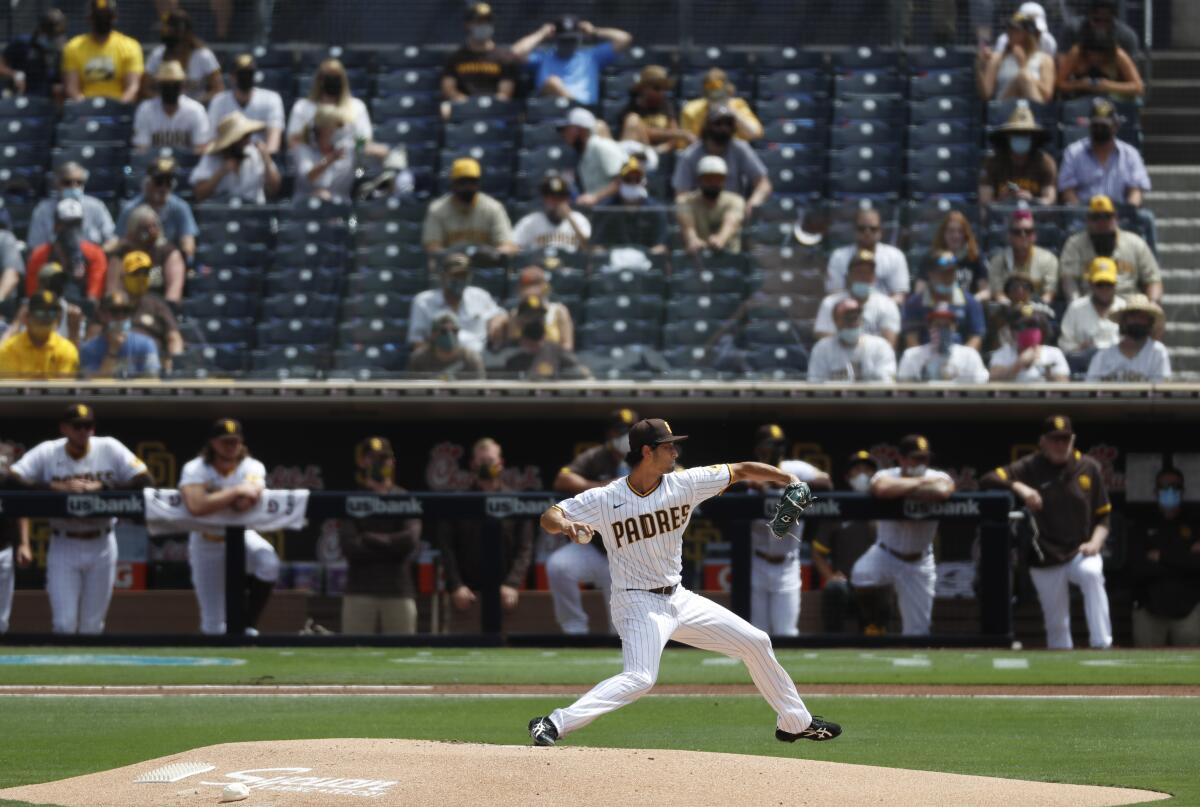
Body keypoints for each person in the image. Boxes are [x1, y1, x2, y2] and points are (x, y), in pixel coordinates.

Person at [529, 417, 842, 747]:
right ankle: (552, 722)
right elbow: (549, 515)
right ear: (647, 452)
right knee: (640, 678)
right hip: (637, 602)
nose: (676, 451)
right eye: (668, 446)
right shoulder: (608, 497)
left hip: (678, 598)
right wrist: (566, 526)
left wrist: (788, 477)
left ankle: (795, 721)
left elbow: (743, 469)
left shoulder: (685, 483)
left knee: (756, 641)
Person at [8, 403, 150, 634]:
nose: (84, 431)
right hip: (64, 542)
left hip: (102, 541)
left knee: (93, 627)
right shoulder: (48, 451)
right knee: (64, 624)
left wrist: (103, 486)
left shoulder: (109, 447)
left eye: (88, 426)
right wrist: (55, 486)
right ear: (64, 428)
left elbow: (145, 480)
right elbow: (11, 481)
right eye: (77, 426)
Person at [981, 415, 1112, 649]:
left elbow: (1104, 517)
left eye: (1065, 439)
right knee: (1057, 625)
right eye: (1054, 439)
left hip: (1080, 550)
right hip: (1044, 555)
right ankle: (1063, 676)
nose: (1060, 445)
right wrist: (1019, 486)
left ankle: (1102, 644)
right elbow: (988, 479)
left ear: (1072, 440)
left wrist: (1095, 543)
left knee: (1092, 574)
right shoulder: (1030, 466)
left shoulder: (1088, 467)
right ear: (1043, 441)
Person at [178, 418, 280, 636]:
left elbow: (245, 503)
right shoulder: (196, 467)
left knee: (268, 562)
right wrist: (234, 491)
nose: (231, 446)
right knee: (213, 625)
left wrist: (212, 496)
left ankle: (248, 623)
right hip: (206, 541)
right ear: (213, 443)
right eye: (226, 441)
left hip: (242, 535)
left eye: (235, 441)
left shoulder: (251, 466)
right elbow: (196, 505)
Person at [851, 435, 954, 636]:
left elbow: (943, 490)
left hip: (919, 561)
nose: (922, 463)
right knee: (861, 574)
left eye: (925, 458)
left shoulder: (938, 476)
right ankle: (878, 621)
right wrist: (921, 485)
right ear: (902, 459)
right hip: (886, 553)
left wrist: (905, 487)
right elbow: (882, 488)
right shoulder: (887, 474)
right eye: (916, 458)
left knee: (918, 632)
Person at [547, 408, 638, 634]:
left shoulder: (645, 455)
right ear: (610, 434)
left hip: (629, 553)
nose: (625, 437)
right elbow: (563, 478)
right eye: (620, 432)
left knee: (622, 632)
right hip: (596, 545)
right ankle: (574, 628)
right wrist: (603, 487)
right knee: (559, 566)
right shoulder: (596, 457)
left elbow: (676, 473)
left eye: (630, 432)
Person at [742, 424, 832, 637]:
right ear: (758, 449)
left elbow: (826, 482)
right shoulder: (748, 471)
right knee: (757, 634)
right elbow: (728, 485)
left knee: (786, 633)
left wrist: (781, 485)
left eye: (779, 445)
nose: (775, 450)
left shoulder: (794, 469)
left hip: (787, 564)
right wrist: (752, 483)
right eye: (769, 445)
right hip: (757, 562)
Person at [435, 438, 534, 624]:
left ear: (500, 464)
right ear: (472, 464)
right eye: (481, 462)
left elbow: (525, 548)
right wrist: (456, 585)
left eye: (490, 461)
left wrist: (512, 584)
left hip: (506, 591)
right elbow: (446, 548)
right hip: (467, 592)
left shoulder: (518, 501)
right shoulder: (458, 502)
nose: (486, 466)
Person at [338, 437, 422, 635]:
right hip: (359, 592)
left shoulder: (404, 497)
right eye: (373, 458)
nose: (380, 463)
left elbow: (410, 540)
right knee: (354, 656)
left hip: (398, 591)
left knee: (402, 657)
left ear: (392, 462)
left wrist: (369, 538)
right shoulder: (353, 499)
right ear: (363, 462)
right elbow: (349, 546)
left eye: (384, 458)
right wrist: (392, 544)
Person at [1129, 466, 1200, 647]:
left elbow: (1196, 565)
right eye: (1165, 486)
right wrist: (1183, 558)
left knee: (1189, 672)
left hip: (1188, 612)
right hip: (1149, 612)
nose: (1170, 490)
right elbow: (1138, 567)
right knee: (1145, 671)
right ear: (1155, 491)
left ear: (1183, 490)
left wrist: (1161, 557)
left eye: (1175, 486)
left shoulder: (1194, 522)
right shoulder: (1142, 523)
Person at [810, 451, 880, 633]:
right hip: (846, 583)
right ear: (848, 476)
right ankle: (832, 642)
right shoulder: (839, 506)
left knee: (881, 593)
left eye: (868, 470)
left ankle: (878, 636)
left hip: (875, 583)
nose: (863, 474)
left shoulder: (884, 506)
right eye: (857, 469)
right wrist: (830, 576)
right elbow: (817, 551)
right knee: (834, 589)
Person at [673, 105, 772, 215]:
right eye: (718, 124)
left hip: (732, 210)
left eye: (728, 124)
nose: (724, 128)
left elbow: (763, 183)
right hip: (700, 212)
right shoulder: (690, 154)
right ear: (708, 126)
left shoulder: (740, 149)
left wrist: (753, 203)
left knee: (736, 207)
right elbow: (681, 194)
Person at [1059, 195, 1160, 302]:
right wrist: (1077, 307)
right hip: (1089, 307)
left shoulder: (1135, 243)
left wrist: (1152, 304)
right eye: (1096, 217)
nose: (1102, 222)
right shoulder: (1074, 244)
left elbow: (1153, 280)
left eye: (1107, 216)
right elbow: (1069, 280)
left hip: (1129, 309)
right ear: (1088, 220)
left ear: (1116, 218)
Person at [512, 16, 631, 106]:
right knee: (552, 82)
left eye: (572, 40)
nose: (568, 44)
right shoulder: (543, 58)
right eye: (564, 40)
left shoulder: (591, 56)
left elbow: (624, 39)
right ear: (556, 39)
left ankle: (577, 108)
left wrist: (594, 31)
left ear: (579, 38)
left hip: (586, 114)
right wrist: (541, 33)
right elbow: (516, 52)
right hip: (552, 113)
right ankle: (575, 105)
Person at [1058, 100, 1151, 210]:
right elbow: (1068, 191)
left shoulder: (1130, 154)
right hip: (1084, 215)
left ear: (1115, 126)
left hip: (1119, 215)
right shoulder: (1073, 152)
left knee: (1145, 218)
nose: (1099, 129)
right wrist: (1081, 215)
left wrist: (1128, 213)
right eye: (1095, 125)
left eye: (1104, 125)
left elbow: (1136, 191)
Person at [407, 253, 506, 354]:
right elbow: (417, 343)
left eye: (463, 275)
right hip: (443, 361)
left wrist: (498, 319)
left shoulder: (480, 296)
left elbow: (500, 315)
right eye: (455, 276)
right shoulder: (423, 301)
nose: (460, 280)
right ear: (442, 276)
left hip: (479, 360)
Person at [286, 59, 382, 158]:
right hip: (313, 163)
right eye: (328, 77)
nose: (331, 82)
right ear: (319, 80)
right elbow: (293, 141)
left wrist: (349, 148)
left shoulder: (357, 106)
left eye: (336, 78)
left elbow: (363, 140)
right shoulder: (302, 107)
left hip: (346, 163)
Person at [421, 158, 517, 255]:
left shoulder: (493, 208)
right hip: (450, 266)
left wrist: (492, 254)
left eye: (472, 182)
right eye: (463, 182)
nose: (467, 186)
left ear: (478, 184)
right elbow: (432, 248)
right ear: (453, 184)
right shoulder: (437, 209)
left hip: (485, 267)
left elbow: (507, 246)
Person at [116, 157, 198, 266]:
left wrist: (180, 254)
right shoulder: (131, 208)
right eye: (159, 182)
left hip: (168, 263)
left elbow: (188, 244)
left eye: (168, 183)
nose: (163, 188)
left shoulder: (180, 207)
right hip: (136, 263)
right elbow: (120, 242)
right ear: (147, 182)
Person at [25, 199, 107, 304]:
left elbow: (93, 298)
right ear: (56, 226)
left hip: (83, 311)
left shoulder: (95, 254)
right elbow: (33, 295)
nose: (71, 230)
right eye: (66, 224)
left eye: (76, 224)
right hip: (48, 309)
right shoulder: (39, 255)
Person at [813, 250, 901, 348]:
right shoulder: (830, 303)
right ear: (848, 275)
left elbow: (889, 345)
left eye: (868, 272)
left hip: (873, 360)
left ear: (874, 277)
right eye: (859, 272)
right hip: (837, 359)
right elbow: (823, 339)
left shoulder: (887, 305)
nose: (863, 276)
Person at [442, 2, 516, 116]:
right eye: (479, 22)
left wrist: (487, 105)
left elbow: (505, 94)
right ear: (468, 25)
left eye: (487, 21)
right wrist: (467, 104)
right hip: (464, 108)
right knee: (445, 109)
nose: (484, 25)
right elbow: (448, 88)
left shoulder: (503, 57)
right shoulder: (456, 57)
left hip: (493, 109)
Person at [190, 111, 281, 204]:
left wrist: (267, 160)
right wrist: (221, 173)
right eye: (244, 137)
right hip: (221, 213)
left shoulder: (256, 154)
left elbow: (274, 190)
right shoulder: (211, 158)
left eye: (248, 135)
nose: (248, 141)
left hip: (253, 213)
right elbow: (199, 195)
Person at [61, 0, 143, 103]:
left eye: (106, 16)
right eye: (98, 16)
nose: (102, 19)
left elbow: (133, 87)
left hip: (118, 111)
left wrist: (119, 106)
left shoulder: (130, 46)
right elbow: (71, 88)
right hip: (85, 111)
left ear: (114, 17)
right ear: (89, 18)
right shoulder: (73, 47)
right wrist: (84, 107)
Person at [903, 252, 986, 351]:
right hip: (924, 358)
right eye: (943, 273)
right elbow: (912, 339)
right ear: (931, 274)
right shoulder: (914, 303)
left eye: (951, 272)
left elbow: (976, 337)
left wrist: (963, 359)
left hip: (960, 358)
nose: (948, 277)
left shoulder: (971, 302)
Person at [825, 209, 909, 305]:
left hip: (883, 314)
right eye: (862, 228)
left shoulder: (895, 256)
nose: (867, 232)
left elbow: (899, 295)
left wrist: (877, 309)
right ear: (854, 230)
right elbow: (835, 293)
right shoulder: (839, 256)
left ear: (880, 231)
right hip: (848, 312)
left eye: (873, 229)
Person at [27, 162, 117, 252]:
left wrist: (96, 255)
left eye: (79, 182)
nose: (74, 186)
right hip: (55, 260)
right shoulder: (43, 210)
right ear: (57, 183)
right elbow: (35, 247)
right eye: (67, 182)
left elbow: (113, 240)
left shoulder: (96, 206)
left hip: (91, 261)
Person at [978, 106, 1057, 206]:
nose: (1021, 137)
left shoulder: (1046, 162)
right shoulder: (992, 162)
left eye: (1025, 134)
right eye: (1016, 134)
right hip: (1001, 218)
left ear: (1033, 138)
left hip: (1034, 218)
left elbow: (1049, 200)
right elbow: (985, 203)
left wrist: (1031, 200)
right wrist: (1002, 200)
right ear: (1007, 137)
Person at [115, 250, 183, 368]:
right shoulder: (114, 303)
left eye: (145, 273)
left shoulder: (156, 304)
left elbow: (174, 338)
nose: (141, 278)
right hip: (115, 365)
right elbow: (94, 337)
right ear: (123, 276)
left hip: (150, 367)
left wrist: (172, 364)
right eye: (136, 273)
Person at [105, 205, 185, 304]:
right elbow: (112, 290)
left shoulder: (168, 252)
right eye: (145, 229)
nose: (151, 232)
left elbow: (174, 292)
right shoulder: (121, 253)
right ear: (133, 230)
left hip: (158, 306)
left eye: (154, 226)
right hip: (126, 308)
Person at [208, 53, 284, 155]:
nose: (246, 77)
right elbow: (212, 138)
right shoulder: (219, 101)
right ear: (232, 76)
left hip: (260, 158)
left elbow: (273, 142)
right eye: (241, 74)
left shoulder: (271, 98)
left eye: (249, 73)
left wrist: (263, 161)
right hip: (227, 158)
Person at [807, 298, 897, 383]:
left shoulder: (880, 346)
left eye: (856, 316)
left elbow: (886, 383)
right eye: (848, 318)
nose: (853, 321)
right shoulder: (822, 349)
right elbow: (815, 384)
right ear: (836, 321)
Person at [143, 8, 222, 103]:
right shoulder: (158, 54)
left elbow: (218, 89)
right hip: (164, 110)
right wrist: (163, 103)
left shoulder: (203, 55)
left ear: (184, 32)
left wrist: (194, 104)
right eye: (166, 29)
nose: (166, 33)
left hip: (196, 111)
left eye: (171, 30)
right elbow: (145, 89)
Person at [1059, 257, 1125, 371]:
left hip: (1118, 368)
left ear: (1115, 285)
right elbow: (1064, 344)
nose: (1104, 289)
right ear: (1090, 284)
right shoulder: (1076, 307)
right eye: (1100, 284)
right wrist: (1078, 348)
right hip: (1083, 368)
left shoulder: (1124, 307)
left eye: (1108, 284)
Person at [502, 295, 590, 380]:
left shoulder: (556, 351)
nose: (534, 321)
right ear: (520, 320)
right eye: (529, 316)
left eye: (538, 316)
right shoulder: (511, 351)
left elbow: (582, 372)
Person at [591, 158, 669, 253]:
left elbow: (660, 246)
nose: (632, 183)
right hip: (613, 264)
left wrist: (641, 259)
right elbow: (597, 246)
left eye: (637, 179)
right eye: (628, 179)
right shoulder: (605, 209)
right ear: (619, 182)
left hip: (647, 263)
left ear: (644, 182)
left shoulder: (656, 210)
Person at [1086, 294, 1170, 382]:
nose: (1137, 320)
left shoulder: (1158, 353)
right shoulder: (1103, 356)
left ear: (1149, 322)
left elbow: (1161, 390)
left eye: (1142, 317)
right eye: (1133, 316)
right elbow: (1090, 388)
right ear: (1123, 321)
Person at [131, 60, 210, 154]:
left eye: (175, 85)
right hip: (152, 165)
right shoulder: (145, 110)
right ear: (159, 86)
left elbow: (200, 147)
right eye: (166, 85)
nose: (170, 89)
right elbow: (141, 148)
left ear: (182, 86)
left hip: (186, 166)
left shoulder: (196, 110)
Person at [897, 304, 990, 383]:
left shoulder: (969, 355)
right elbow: (904, 389)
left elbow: (981, 385)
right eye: (937, 325)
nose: (942, 330)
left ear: (954, 328)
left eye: (946, 326)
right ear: (929, 327)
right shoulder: (911, 355)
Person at [983, 208, 1059, 305]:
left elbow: (1049, 294)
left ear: (1034, 235)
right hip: (1008, 312)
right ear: (1009, 236)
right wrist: (1015, 309)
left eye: (1028, 231)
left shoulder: (1049, 259)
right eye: (1017, 232)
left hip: (1039, 312)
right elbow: (998, 294)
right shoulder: (998, 261)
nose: (1023, 235)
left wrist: (1033, 309)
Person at [78, 290, 160, 378]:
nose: (121, 317)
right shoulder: (89, 349)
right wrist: (113, 350)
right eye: (115, 311)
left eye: (126, 311)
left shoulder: (146, 344)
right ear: (102, 315)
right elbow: (96, 385)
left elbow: (153, 380)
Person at [977, 12, 1055, 102]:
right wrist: (979, 66)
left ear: (1028, 34)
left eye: (1016, 31)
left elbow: (1047, 95)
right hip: (1005, 108)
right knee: (1022, 77)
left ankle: (1031, 115)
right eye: (1009, 30)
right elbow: (986, 95)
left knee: (1023, 77)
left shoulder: (1045, 60)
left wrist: (1024, 67)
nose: (1010, 34)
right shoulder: (997, 58)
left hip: (1032, 109)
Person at [0, 290, 79, 378]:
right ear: (27, 317)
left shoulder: (67, 350)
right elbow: (10, 390)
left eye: (52, 313)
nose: (46, 319)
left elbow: (64, 389)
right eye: (40, 313)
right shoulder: (9, 348)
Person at [677, 156, 746, 255]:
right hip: (697, 259)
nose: (713, 182)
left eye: (718, 178)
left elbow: (731, 222)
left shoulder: (736, 201)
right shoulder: (685, 202)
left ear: (724, 179)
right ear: (699, 179)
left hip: (730, 260)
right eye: (708, 178)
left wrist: (721, 238)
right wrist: (692, 239)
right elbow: (688, 227)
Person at [557, 107, 626, 206]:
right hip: (600, 210)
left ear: (581, 129)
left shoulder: (601, 146)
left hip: (615, 208)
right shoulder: (582, 152)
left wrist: (596, 197)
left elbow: (624, 179)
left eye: (567, 129)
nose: (563, 134)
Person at [1057, 23, 1144, 101]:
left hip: (1113, 100)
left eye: (1100, 54)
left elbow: (1138, 87)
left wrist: (1108, 86)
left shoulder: (1118, 55)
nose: (1095, 58)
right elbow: (1060, 84)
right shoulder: (1077, 52)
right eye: (1092, 53)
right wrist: (1081, 84)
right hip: (1080, 100)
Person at [291, 104, 356, 202]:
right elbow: (309, 177)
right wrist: (331, 158)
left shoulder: (348, 149)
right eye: (337, 125)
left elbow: (365, 162)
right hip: (306, 209)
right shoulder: (303, 149)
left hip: (342, 209)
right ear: (323, 128)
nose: (341, 129)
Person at [619, 65, 692, 151]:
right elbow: (641, 131)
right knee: (633, 120)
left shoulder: (666, 105)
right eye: (656, 88)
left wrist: (664, 148)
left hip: (661, 154)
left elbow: (673, 134)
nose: (661, 92)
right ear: (644, 88)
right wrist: (680, 134)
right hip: (640, 152)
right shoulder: (631, 108)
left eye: (664, 89)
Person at [680, 68, 763, 143]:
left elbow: (754, 133)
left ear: (728, 91)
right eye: (711, 95)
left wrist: (731, 112)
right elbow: (686, 145)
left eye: (719, 95)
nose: (715, 98)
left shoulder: (738, 105)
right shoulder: (691, 110)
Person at [988, 305, 1069, 382]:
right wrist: (1019, 364)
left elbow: (1064, 383)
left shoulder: (1054, 353)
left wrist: (1047, 372)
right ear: (1012, 331)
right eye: (1021, 326)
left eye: (1033, 326)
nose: (1028, 331)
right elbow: (992, 379)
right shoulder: (1003, 353)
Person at [513, 174, 591, 252]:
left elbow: (588, 249)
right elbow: (513, 246)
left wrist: (570, 219)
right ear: (544, 199)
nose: (557, 202)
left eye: (561, 197)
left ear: (567, 199)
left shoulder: (579, 220)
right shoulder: (530, 221)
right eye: (552, 198)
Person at [0, 8, 67, 98]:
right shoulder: (22, 43)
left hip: (46, 103)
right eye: (51, 33)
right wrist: (14, 74)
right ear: (41, 29)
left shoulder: (61, 51)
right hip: (20, 99)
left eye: (58, 34)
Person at [504, 266, 575, 351]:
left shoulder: (559, 311)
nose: (532, 292)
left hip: (553, 359)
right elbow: (513, 346)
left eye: (536, 285)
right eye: (527, 286)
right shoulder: (515, 315)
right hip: (524, 359)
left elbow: (567, 345)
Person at [405, 311, 486, 379]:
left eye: (454, 330)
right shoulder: (419, 359)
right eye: (444, 331)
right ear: (433, 334)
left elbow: (480, 390)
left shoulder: (470, 358)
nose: (450, 335)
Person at [924, 211, 986, 295]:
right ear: (943, 233)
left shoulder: (975, 256)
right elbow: (920, 290)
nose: (956, 236)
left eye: (960, 231)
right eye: (951, 231)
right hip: (938, 304)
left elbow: (984, 291)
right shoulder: (931, 257)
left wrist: (971, 303)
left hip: (967, 305)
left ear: (965, 234)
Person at [1058, 0, 1142, 59]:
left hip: (1112, 81)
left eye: (1106, 21)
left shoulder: (1126, 37)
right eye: (1097, 20)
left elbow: (1135, 82)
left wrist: (1102, 83)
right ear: (1089, 16)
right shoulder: (1073, 31)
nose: (1101, 25)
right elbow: (1062, 71)